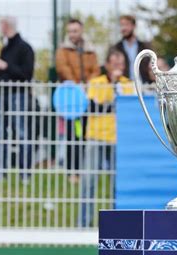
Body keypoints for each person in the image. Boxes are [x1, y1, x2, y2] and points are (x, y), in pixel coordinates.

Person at [78, 48, 134, 227]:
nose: (118, 67)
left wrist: (108, 104)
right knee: (89, 181)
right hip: (96, 136)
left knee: (117, 184)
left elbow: (127, 108)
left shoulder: (129, 85)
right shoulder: (96, 83)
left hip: (119, 139)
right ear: (107, 65)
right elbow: (94, 107)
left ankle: (116, 223)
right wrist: (112, 97)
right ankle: (84, 223)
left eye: (121, 64)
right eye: (114, 64)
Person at [56, 18, 100, 183]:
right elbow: (63, 68)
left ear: (81, 31)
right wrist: (76, 86)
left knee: (83, 135)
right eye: (70, 31)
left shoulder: (90, 50)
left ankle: (81, 170)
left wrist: (88, 84)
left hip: (86, 98)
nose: (72, 34)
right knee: (72, 136)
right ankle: (71, 171)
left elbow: (95, 70)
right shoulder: (63, 50)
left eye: (75, 31)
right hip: (71, 100)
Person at [0, 16, 34, 182]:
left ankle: (25, 173)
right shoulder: (4, 48)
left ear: (6, 26)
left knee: (21, 132)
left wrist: (5, 66)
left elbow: (26, 74)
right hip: (1, 94)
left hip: (18, 95)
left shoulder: (25, 48)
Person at [113, 15, 152, 82]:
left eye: (126, 24)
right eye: (121, 25)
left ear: (134, 26)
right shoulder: (116, 48)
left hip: (145, 86)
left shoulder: (145, 47)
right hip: (125, 87)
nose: (123, 28)